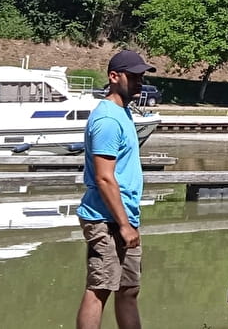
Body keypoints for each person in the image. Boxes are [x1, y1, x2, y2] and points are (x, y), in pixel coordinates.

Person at [75, 50, 155, 329]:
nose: (139, 83)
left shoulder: (123, 112)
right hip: (106, 218)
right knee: (100, 288)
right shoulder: (107, 120)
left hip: (125, 217)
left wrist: (127, 222)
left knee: (129, 289)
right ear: (113, 76)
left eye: (141, 77)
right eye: (133, 76)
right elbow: (104, 177)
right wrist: (123, 224)